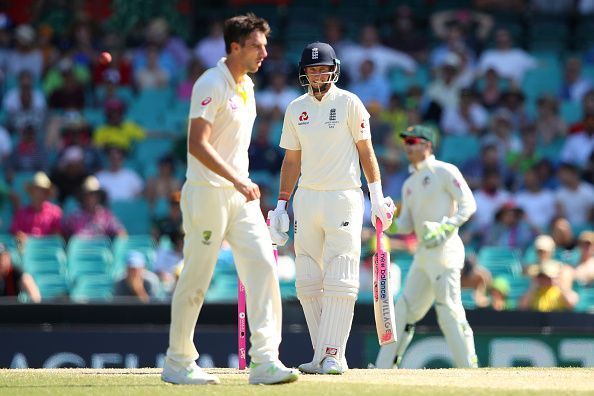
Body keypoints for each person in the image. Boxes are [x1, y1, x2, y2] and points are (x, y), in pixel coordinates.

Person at [161, 14, 298, 386]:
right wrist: (239, 179)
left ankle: (265, 361)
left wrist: (241, 182)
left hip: (241, 196)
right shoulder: (211, 82)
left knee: (264, 269)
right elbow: (197, 144)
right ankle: (177, 361)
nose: (264, 53)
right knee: (198, 277)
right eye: (256, 45)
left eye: (265, 46)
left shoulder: (248, 86)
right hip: (208, 194)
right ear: (234, 47)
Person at [267, 42, 395, 375]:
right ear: (303, 72)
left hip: (344, 196)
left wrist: (377, 195)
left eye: (322, 68)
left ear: (333, 69)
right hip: (307, 198)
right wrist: (282, 203)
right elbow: (291, 159)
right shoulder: (296, 108)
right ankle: (322, 354)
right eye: (312, 70)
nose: (317, 74)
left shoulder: (350, 103)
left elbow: (366, 152)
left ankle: (333, 355)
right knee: (307, 279)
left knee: (341, 274)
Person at [375, 124, 478, 369]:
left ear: (427, 145)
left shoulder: (444, 170)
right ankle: (383, 368)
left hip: (446, 251)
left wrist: (447, 227)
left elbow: (469, 204)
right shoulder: (409, 184)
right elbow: (407, 225)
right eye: (406, 142)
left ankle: (469, 367)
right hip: (423, 255)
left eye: (413, 142)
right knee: (404, 310)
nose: (407, 147)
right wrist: (386, 223)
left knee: (448, 310)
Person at [10, 172, 62, 245]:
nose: (39, 194)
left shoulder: (55, 212)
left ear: (47, 194)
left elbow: (57, 239)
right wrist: (20, 240)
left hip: (47, 250)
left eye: (43, 191)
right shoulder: (21, 213)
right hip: (26, 252)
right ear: (31, 192)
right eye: (36, 190)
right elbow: (16, 237)